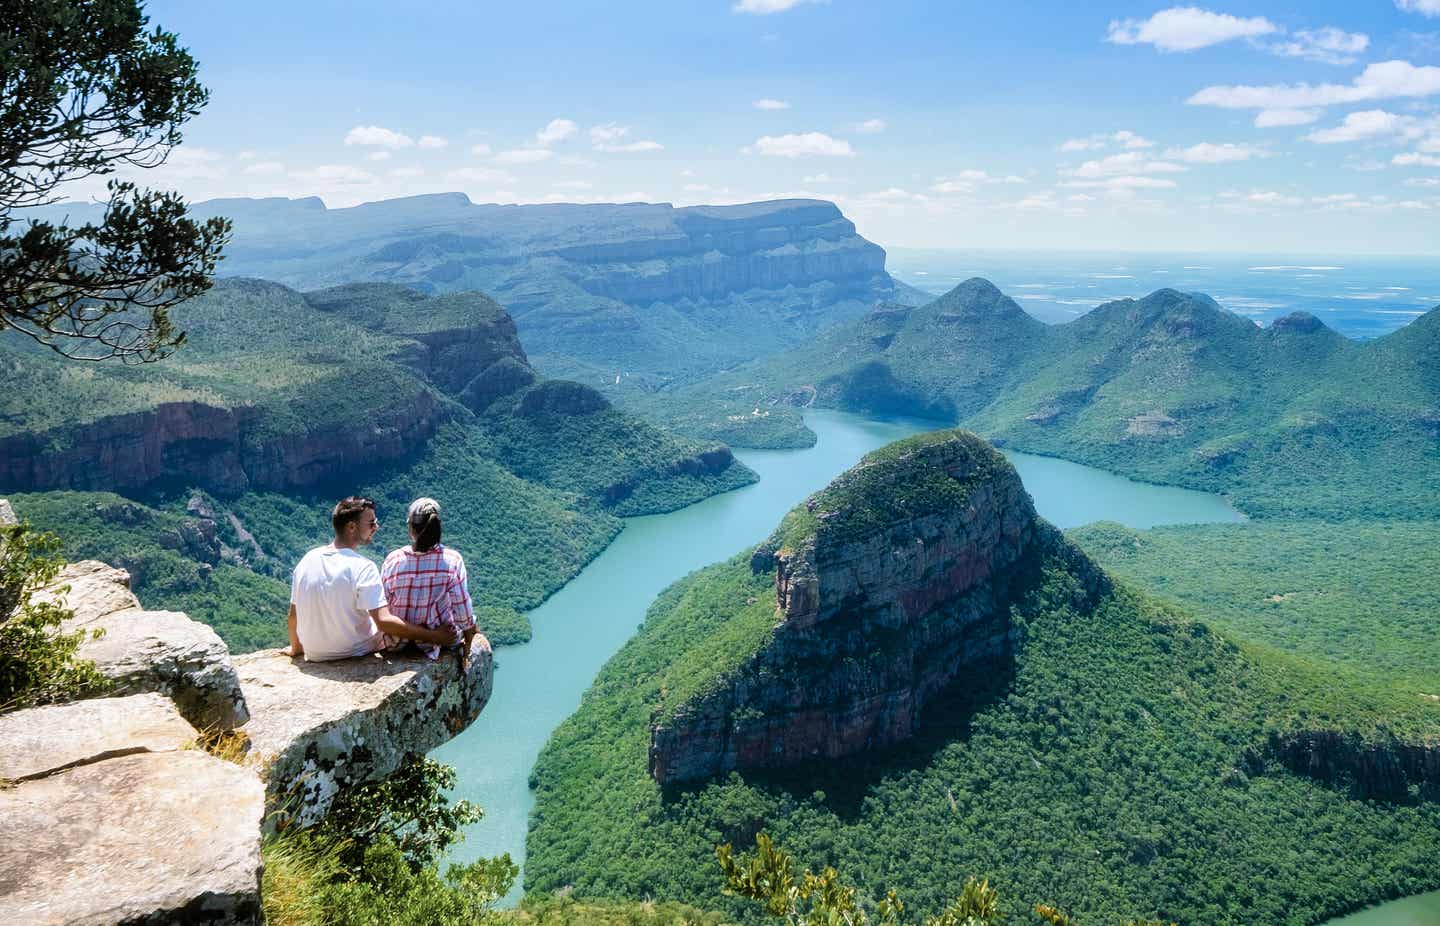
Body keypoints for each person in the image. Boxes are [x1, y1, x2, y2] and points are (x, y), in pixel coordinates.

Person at [287, 496, 460, 661]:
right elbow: (384, 622)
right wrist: (435, 636)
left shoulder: (307, 560)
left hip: (315, 652)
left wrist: (296, 649)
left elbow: (293, 616)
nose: (376, 527)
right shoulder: (363, 567)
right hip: (355, 651)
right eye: (371, 523)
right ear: (352, 527)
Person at [380, 497, 477, 661]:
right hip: (438, 642)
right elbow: (462, 612)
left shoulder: (393, 560)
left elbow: (383, 605)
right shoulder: (452, 560)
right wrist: (471, 640)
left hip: (396, 643)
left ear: (410, 528)